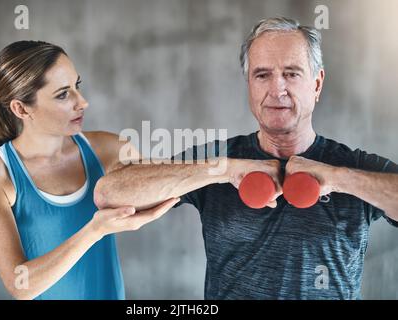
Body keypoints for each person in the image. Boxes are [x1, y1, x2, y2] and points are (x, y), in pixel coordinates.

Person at [94, 17, 398, 299]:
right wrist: (227, 170)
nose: (277, 89)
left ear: (316, 84)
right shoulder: (216, 160)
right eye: (262, 75)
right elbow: (111, 193)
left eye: (291, 74)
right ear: (249, 86)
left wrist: (336, 178)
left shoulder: (354, 165)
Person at [0, 40, 179, 300]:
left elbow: (167, 182)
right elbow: (20, 285)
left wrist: (225, 170)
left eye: (76, 86)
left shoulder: (108, 148)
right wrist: (95, 230)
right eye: (63, 94)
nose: (82, 102)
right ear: (21, 108)